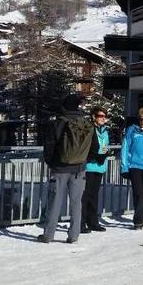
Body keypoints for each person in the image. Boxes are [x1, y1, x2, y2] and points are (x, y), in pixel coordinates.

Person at [38, 94, 94, 244]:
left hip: (60, 168)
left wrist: (51, 162)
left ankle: (48, 235)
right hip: (80, 169)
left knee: (55, 202)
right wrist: (84, 160)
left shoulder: (58, 123)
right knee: (76, 203)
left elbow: (49, 145)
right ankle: (74, 235)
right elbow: (93, 146)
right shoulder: (85, 123)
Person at [80, 106, 110, 234]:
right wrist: (97, 156)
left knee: (94, 196)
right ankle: (81, 223)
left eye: (104, 116)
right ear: (94, 117)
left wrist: (106, 153)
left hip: (100, 166)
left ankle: (93, 222)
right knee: (85, 196)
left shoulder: (104, 131)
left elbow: (104, 146)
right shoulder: (89, 129)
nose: (103, 119)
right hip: (89, 166)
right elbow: (87, 148)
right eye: (100, 116)